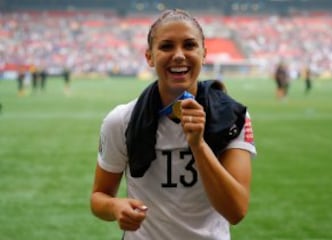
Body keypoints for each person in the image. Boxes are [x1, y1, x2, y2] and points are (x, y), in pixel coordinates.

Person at [90, 9, 256, 240]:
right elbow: (99, 197)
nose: (179, 55)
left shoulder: (232, 117)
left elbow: (236, 211)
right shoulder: (122, 120)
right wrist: (115, 207)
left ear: (204, 53)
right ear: (149, 56)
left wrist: (198, 145)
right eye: (166, 46)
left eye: (189, 45)